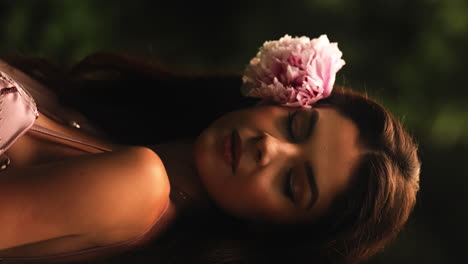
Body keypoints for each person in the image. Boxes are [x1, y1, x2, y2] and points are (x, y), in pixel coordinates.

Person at [0, 34, 420, 264]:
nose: (269, 148)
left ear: (272, 229)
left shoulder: (140, 186)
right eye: (296, 125)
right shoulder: (118, 132)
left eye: (293, 184)